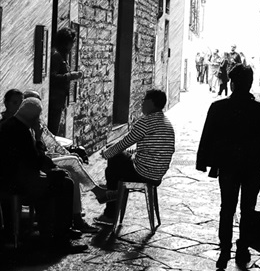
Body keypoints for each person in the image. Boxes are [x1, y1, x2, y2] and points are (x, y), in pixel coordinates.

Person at [196, 64, 260, 270]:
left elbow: (208, 136)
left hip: (228, 168)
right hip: (253, 169)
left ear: (232, 84)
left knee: (227, 208)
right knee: (247, 209)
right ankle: (242, 248)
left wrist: (203, 162)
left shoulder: (218, 108)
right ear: (250, 84)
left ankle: (224, 251)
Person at [0, 98, 87, 253]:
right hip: (16, 185)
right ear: (35, 117)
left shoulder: (6, 125)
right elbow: (37, 162)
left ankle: (57, 231)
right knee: (65, 184)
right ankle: (60, 238)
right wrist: (38, 138)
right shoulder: (23, 132)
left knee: (59, 179)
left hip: (8, 180)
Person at [22, 90, 115, 231]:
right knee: (72, 162)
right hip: (36, 165)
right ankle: (97, 193)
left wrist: (67, 154)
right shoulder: (24, 126)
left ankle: (76, 218)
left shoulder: (38, 123)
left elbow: (53, 143)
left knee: (73, 174)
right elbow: (35, 152)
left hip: (47, 159)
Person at [96, 88, 175, 224]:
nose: (142, 104)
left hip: (143, 173)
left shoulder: (146, 122)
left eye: (144, 101)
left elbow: (123, 143)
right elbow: (150, 149)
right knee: (118, 160)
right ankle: (112, 190)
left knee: (114, 160)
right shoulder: (166, 122)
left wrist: (106, 154)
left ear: (151, 103)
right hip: (157, 174)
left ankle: (110, 211)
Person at [48, 27, 82, 135]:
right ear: (65, 42)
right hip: (54, 101)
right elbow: (52, 77)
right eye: (71, 43)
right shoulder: (56, 55)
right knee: (52, 130)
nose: (72, 46)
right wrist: (70, 76)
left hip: (58, 100)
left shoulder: (61, 55)